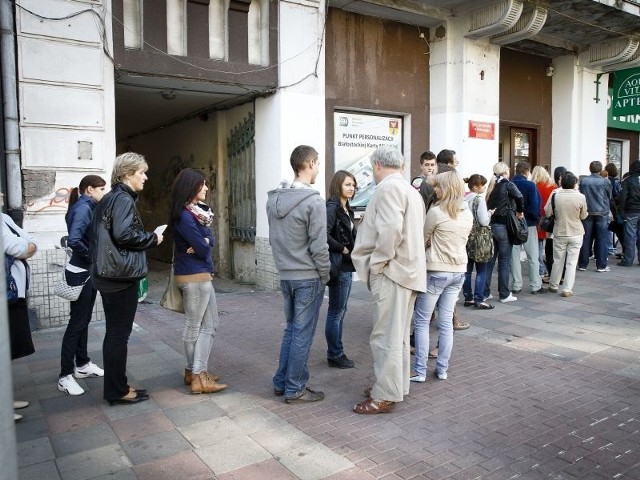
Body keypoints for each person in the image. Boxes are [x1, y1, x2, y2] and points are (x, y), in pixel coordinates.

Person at [351, 146, 426, 415]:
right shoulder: (409, 190)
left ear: (377, 165)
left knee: (385, 337)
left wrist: (379, 264)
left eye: (372, 168)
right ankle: (394, 386)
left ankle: (384, 394)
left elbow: (390, 231)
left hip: (393, 272)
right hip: (407, 272)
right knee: (398, 336)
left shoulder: (388, 188)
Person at [90, 152, 163, 405]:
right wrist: (153, 238)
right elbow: (124, 235)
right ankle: (116, 391)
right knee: (118, 335)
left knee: (115, 334)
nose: (145, 176)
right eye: (141, 172)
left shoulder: (112, 197)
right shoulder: (122, 199)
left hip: (110, 276)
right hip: (119, 278)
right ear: (126, 174)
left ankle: (117, 386)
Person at [267, 145, 330, 404]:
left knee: (292, 330)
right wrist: (325, 274)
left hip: (286, 275)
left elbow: (273, 239)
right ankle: (295, 388)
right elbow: (319, 245)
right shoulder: (314, 201)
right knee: (302, 333)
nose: (318, 169)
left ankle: (282, 382)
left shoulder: (274, 199)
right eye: (317, 164)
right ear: (311, 163)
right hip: (307, 276)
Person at [169, 168, 228, 394]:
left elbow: (208, 240)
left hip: (197, 273)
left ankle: (192, 371)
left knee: (205, 325)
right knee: (201, 326)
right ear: (190, 187)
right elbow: (203, 248)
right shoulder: (186, 216)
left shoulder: (195, 214)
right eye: (201, 184)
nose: (206, 188)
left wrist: (204, 240)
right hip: (195, 276)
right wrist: (203, 242)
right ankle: (198, 376)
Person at [411, 171, 473, 383]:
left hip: (437, 270)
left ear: (446, 188)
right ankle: (442, 369)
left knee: (421, 320)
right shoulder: (467, 212)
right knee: (446, 322)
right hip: (458, 270)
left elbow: (422, 239)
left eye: (438, 186)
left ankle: (419, 370)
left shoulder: (436, 212)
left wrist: (430, 245)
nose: (435, 189)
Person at [57, 175, 107, 396]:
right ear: (89, 190)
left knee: (83, 320)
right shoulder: (83, 208)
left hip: (86, 272)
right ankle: (65, 376)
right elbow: (75, 240)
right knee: (77, 323)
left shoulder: (87, 205)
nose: (104, 193)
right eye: (101, 189)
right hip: (81, 273)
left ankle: (83, 365)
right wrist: (93, 258)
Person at [3, 192, 38, 421]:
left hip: (14, 295)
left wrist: (29, 245)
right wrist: (28, 246)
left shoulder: (3, 218)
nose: (2, 193)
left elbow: (30, 240)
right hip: (6, 294)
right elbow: (20, 248)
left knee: (8, 351)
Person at [325, 170, 358, 369]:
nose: (351, 188)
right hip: (338, 265)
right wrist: (343, 248)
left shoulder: (347, 209)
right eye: (347, 184)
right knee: (336, 311)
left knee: (340, 310)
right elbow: (323, 234)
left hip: (346, 265)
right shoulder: (332, 207)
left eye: (353, 185)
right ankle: (335, 354)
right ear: (338, 185)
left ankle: (336, 352)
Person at [484, 162, 524, 303]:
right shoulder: (507, 184)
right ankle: (504, 294)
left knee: (490, 260)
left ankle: (485, 292)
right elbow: (519, 197)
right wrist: (519, 211)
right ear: (506, 171)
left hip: (492, 225)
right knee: (504, 261)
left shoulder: (491, 185)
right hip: (504, 226)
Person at [544, 172, 588, 297]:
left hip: (560, 231)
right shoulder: (581, 197)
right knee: (572, 262)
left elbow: (547, 212)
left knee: (557, 260)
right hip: (576, 231)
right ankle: (567, 289)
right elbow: (584, 215)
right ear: (575, 183)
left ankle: (553, 285)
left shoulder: (555, 195)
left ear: (561, 182)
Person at [510, 162, 546, 295]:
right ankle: (535, 285)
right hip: (528, 223)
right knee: (533, 256)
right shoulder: (530, 185)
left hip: (512, 224)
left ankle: (516, 284)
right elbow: (536, 205)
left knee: (514, 256)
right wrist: (535, 218)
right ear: (527, 171)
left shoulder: (509, 184)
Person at [462, 174, 494, 309]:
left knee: (467, 270)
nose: (485, 187)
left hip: (466, 236)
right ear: (475, 186)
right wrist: (490, 213)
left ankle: (468, 297)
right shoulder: (479, 200)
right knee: (481, 270)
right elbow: (484, 221)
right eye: (483, 185)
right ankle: (479, 299)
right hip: (479, 238)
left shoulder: (464, 198)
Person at [578, 161, 612, 272]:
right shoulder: (605, 181)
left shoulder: (584, 181)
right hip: (602, 212)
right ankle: (601, 265)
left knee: (586, 237)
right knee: (602, 238)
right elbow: (609, 195)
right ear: (600, 169)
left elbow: (581, 194)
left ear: (590, 168)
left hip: (588, 211)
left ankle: (583, 264)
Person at [531, 166, 556, 282]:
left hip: (538, 220)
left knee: (538, 246)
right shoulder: (552, 187)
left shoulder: (534, 187)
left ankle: (541, 269)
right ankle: (549, 269)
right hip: (550, 220)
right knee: (550, 248)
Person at [618, 159, 640, 266]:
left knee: (630, 236)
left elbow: (623, 197)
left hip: (631, 211)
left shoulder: (628, 180)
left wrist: (621, 211)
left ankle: (628, 260)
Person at [604, 162, 623, 256]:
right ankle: (611, 247)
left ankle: (609, 247)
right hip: (615, 208)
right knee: (613, 228)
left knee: (608, 228)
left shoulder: (606, 181)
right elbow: (618, 194)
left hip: (608, 207)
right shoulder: (616, 182)